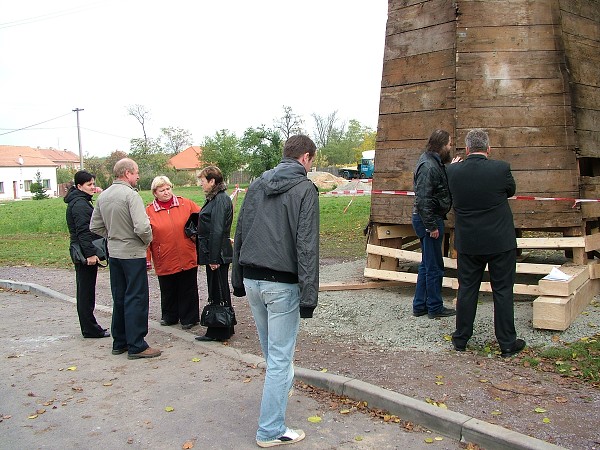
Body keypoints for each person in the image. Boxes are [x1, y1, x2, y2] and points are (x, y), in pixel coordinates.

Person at [232, 134, 319, 448]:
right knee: (280, 359)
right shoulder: (304, 188)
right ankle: (270, 430)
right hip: (280, 284)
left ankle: (280, 390)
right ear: (306, 157)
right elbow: (306, 246)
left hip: (255, 280)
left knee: (274, 355)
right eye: (312, 161)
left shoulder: (257, 184)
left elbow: (241, 230)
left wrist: (238, 278)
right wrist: (309, 296)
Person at [446, 128, 525, 357]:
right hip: (500, 241)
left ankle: (461, 339)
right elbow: (510, 190)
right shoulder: (501, 168)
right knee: (502, 291)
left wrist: (454, 165)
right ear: (488, 149)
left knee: (467, 290)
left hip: (469, 242)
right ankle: (507, 343)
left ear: (467, 149)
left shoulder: (453, 171)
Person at [90, 158, 161, 360]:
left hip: (115, 253)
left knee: (119, 296)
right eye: (136, 172)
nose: (138, 176)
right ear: (127, 173)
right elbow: (142, 226)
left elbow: (94, 226)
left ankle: (119, 341)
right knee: (136, 297)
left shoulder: (103, 196)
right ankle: (137, 344)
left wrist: (113, 235)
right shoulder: (131, 196)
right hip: (132, 253)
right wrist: (146, 241)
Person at [146, 176, 201, 330]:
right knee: (168, 288)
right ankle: (169, 316)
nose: (166, 192)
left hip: (186, 253)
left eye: (168, 188)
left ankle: (190, 318)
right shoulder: (149, 211)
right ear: (155, 193)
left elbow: (201, 218)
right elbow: (146, 236)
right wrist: (147, 258)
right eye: (162, 190)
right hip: (164, 255)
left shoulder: (186, 203)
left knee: (188, 286)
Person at [411, 129, 456, 319]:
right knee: (434, 266)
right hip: (428, 220)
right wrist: (431, 226)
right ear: (441, 145)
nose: (450, 147)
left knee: (427, 264)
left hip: (429, 218)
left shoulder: (433, 163)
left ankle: (420, 305)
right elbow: (423, 199)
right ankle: (435, 307)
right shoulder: (428, 167)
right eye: (449, 144)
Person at [65, 170, 109, 339]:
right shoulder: (80, 205)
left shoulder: (80, 201)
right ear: (79, 186)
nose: (93, 187)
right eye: (89, 185)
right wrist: (90, 254)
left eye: (93, 184)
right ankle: (90, 328)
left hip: (82, 251)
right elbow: (83, 232)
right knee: (85, 292)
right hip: (84, 254)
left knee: (86, 291)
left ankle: (90, 327)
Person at [194, 166, 235, 342]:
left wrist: (213, 257)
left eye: (203, 181)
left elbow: (217, 229)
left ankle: (218, 330)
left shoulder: (219, 199)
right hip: (215, 251)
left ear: (212, 181)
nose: (201, 184)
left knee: (217, 290)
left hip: (216, 253)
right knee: (219, 288)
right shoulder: (217, 198)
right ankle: (225, 327)